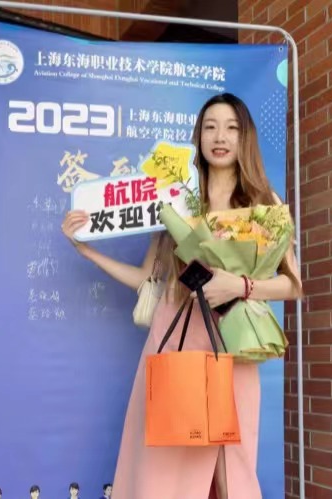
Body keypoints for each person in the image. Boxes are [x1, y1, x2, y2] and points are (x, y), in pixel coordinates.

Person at [61, 92, 302, 499]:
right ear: (198, 137)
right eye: (210, 127)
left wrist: (240, 286)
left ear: (245, 137)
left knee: (232, 466)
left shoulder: (265, 203)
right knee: (166, 470)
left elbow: (292, 284)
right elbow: (146, 279)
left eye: (231, 128)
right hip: (175, 341)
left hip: (234, 342)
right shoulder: (175, 198)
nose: (220, 137)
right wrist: (85, 249)